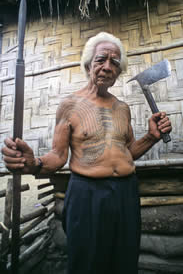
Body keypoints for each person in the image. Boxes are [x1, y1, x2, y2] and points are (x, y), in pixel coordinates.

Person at [2, 32, 172, 274]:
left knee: (124, 261)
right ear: (88, 64)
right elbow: (59, 157)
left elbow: (126, 153)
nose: (107, 66)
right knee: (88, 264)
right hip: (87, 194)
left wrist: (151, 137)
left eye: (115, 62)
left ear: (119, 71)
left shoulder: (122, 109)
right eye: (101, 59)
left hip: (126, 194)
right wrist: (34, 163)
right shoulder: (70, 105)